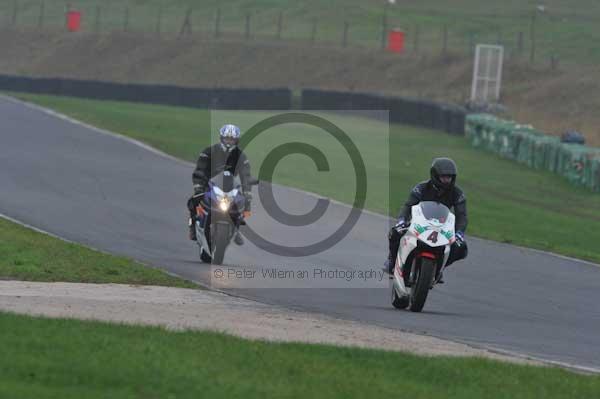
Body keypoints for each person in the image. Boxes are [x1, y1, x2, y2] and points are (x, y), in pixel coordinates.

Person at [385, 158, 468, 278]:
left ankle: (439, 267)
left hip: (442, 228)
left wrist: (459, 233)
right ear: (435, 175)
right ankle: (392, 261)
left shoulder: (458, 194)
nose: (447, 180)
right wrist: (402, 220)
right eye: (443, 177)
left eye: (449, 177)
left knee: (461, 248)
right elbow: (408, 205)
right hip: (419, 223)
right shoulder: (421, 187)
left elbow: (462, 216)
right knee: (395, 233)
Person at [187, 124, 252, 244]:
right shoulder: (209, 152)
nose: (229, 142)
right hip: (209, 184)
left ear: (236, 141)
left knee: (244, 203)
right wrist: (199, 187)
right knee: (193, 201)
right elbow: (199, 170)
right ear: (221, 138)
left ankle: (236, 228)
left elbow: (246, 175)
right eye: (227, 138)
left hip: (230, 187)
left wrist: (247, 191)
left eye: (232, 139)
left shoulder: (241, 156)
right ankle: (192, 227)